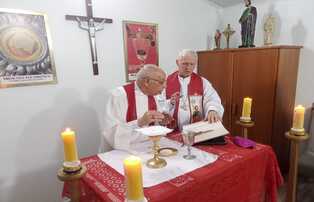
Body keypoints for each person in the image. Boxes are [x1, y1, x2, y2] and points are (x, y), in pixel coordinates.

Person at [101, 64, 168, 151]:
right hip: (124, 150)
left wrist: (162, 121)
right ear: (147, 82)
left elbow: (155, 125)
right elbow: (111, 133)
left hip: (149, 147)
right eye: (161, 82)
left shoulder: (155, 95)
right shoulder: (118, 96)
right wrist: (139, 122)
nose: (165, 86)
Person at [166, 49, 224, 130]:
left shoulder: (202, 82)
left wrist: (212, 110)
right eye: (185, 64)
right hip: (170, 130)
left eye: (191, 64)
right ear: (177, 62)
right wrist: (170, 102)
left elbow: (212, 99)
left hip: (195, 130)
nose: (188, 68)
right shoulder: (166, 81)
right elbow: (159, 104)